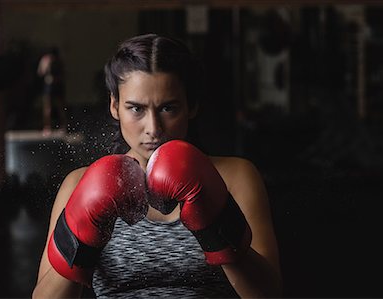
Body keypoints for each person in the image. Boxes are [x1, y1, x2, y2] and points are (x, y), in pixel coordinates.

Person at [32, 33, 282, 298]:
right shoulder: (79, 184)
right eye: (136, 109)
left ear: (192, 106)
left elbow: (269, 294)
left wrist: (217, 224)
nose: (153, 128)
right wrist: (80, 239)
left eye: (168, 108)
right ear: (115, 106)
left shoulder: (235, 177)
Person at [37, 47, 67, 133]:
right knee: (48, 107)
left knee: (60, 107)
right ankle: (47, 127)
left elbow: (63, 73)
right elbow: (40, 72)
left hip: (56, 85)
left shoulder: (58, 61)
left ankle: (63, 126)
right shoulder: (45, 60)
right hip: (49, 85)